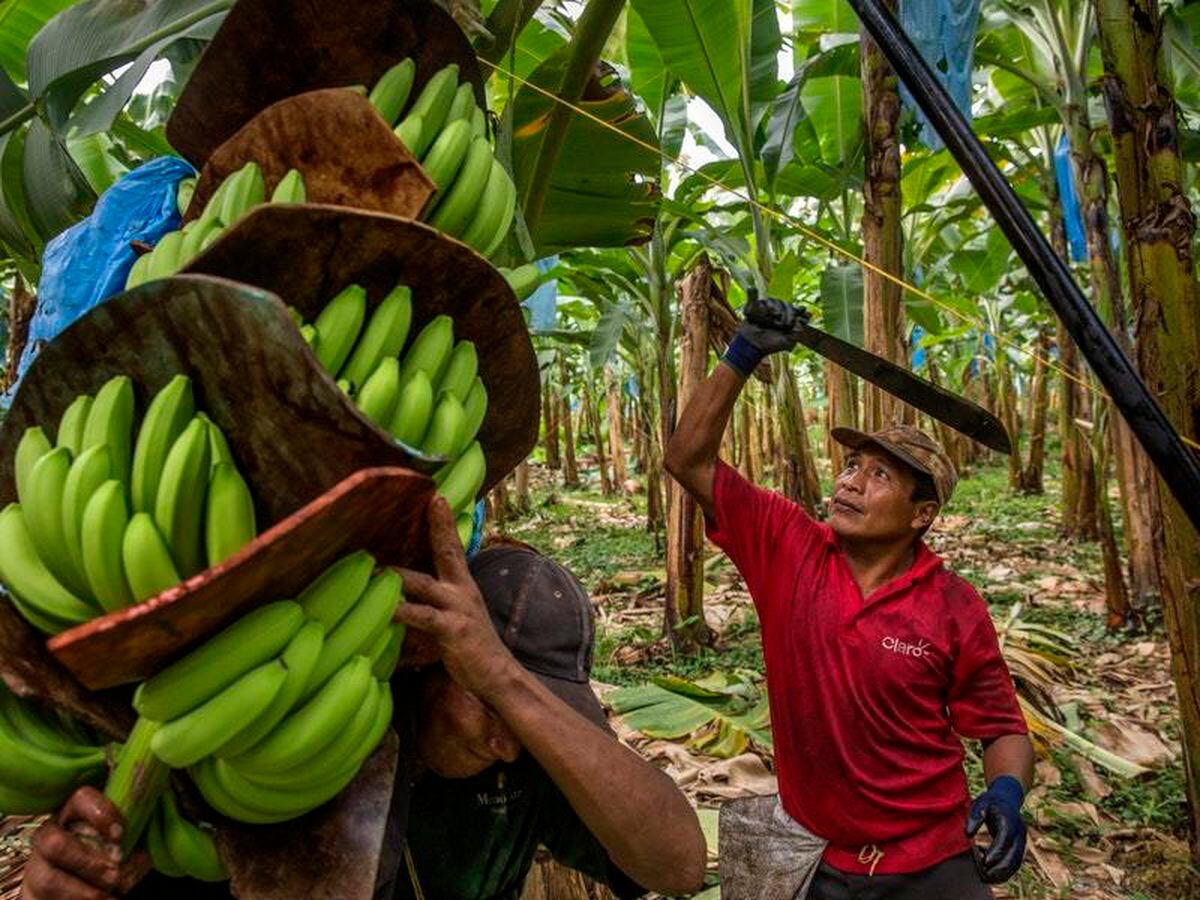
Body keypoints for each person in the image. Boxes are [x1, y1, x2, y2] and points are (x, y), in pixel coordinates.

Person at [21, 497, 707, 900]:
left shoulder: (523, 758)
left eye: (533, 707)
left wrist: (504, 683)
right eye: (487, 706)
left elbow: (677, 865)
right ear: (423, 659)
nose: (508, 741)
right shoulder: (294, 749)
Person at [664, 296, 1034, 899]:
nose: (850, 480)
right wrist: (743, 351)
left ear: (923, 514)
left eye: (879, 475)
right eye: (851, 463)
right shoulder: (786, 545)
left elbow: (1001, 729)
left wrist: (1006, 793)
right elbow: (686, 459)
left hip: (932, 860)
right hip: (812, 856)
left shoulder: (954, 607)